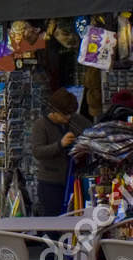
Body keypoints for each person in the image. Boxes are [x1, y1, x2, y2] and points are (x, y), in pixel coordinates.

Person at [30, 89, 90, 217]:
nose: (68, 118)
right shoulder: (41, 125)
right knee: (53, 222)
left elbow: (92, 132)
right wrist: (60, 144)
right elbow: (37, 151)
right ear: (55, 111)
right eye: (65, 114)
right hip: (51, 183)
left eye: (70, 114)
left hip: (74, 181)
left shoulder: (75, 120)